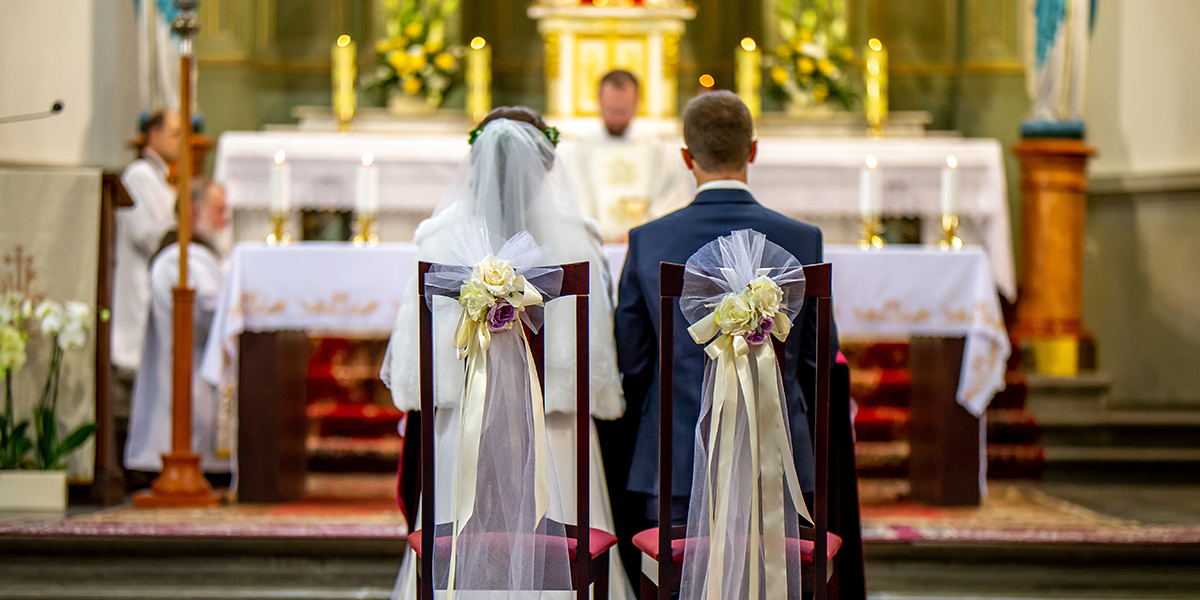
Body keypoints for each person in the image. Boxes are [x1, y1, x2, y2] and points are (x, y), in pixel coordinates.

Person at [381, 106, 633, 599]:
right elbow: (600, 358)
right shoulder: (578, 236)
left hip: (464, 434)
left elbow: (412, 370)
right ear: (546, 164)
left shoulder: (437, 235)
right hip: (557, 436)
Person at [614, 91, 838, 559]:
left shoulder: (649, 240)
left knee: (681, 579)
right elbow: (819, 358)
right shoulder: (803, 240)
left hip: (677, 465)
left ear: (686, 157)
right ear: (752, 150)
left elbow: (632, 360)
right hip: (781, 463)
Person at [125, 178, 230, 479]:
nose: (225, 220)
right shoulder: (180, 259)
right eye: (219, 211)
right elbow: (207, 313)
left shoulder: (197, 255)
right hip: (189, 375)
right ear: (194, 212)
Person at [560, 70, 690, 242]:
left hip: (646, 244)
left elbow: (672, 198)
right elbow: (569, 201)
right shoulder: (578, 153)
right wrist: (591, 233)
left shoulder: (659, 151)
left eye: (623, 111)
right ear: (598, 101)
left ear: (637, 102)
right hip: (594, 246)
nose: (617, 119)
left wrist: (644, 232)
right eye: (611, 110)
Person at [113, 110, 181, 421]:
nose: (180, 141)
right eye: (175, 133)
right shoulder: (139, 175)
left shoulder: (159, 177)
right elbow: (146, 234)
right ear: (153, 134)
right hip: (140, 281)